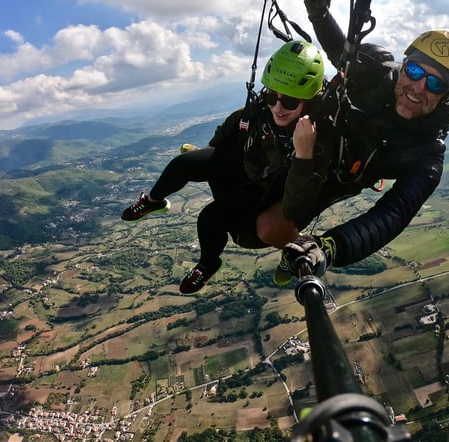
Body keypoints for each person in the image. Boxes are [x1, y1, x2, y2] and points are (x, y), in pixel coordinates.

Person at [270, 0, 449, 283]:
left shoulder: (427, 156)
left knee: (261, 230)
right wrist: (319, 14)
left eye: (436, 83)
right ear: (403, 66)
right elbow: (342, 54)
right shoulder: (375, 72)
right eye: (415, 71)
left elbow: (393, 214)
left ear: (447, 95)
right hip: (316, 133)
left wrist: (330, 247)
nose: (418, 87)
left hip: (338, 176)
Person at [120, 40, 333, 293]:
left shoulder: (316, 137)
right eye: (270, 96)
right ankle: (153, 201)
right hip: (242, 166)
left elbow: (298, 204)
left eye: (289, 102)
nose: (277, 107)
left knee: (209, 218)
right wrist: (210, 164)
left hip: (262, 189)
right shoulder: (257, 111)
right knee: (183, 164)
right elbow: (227, 134)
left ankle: (208, 264)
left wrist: (303, 153)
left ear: (307, 101)